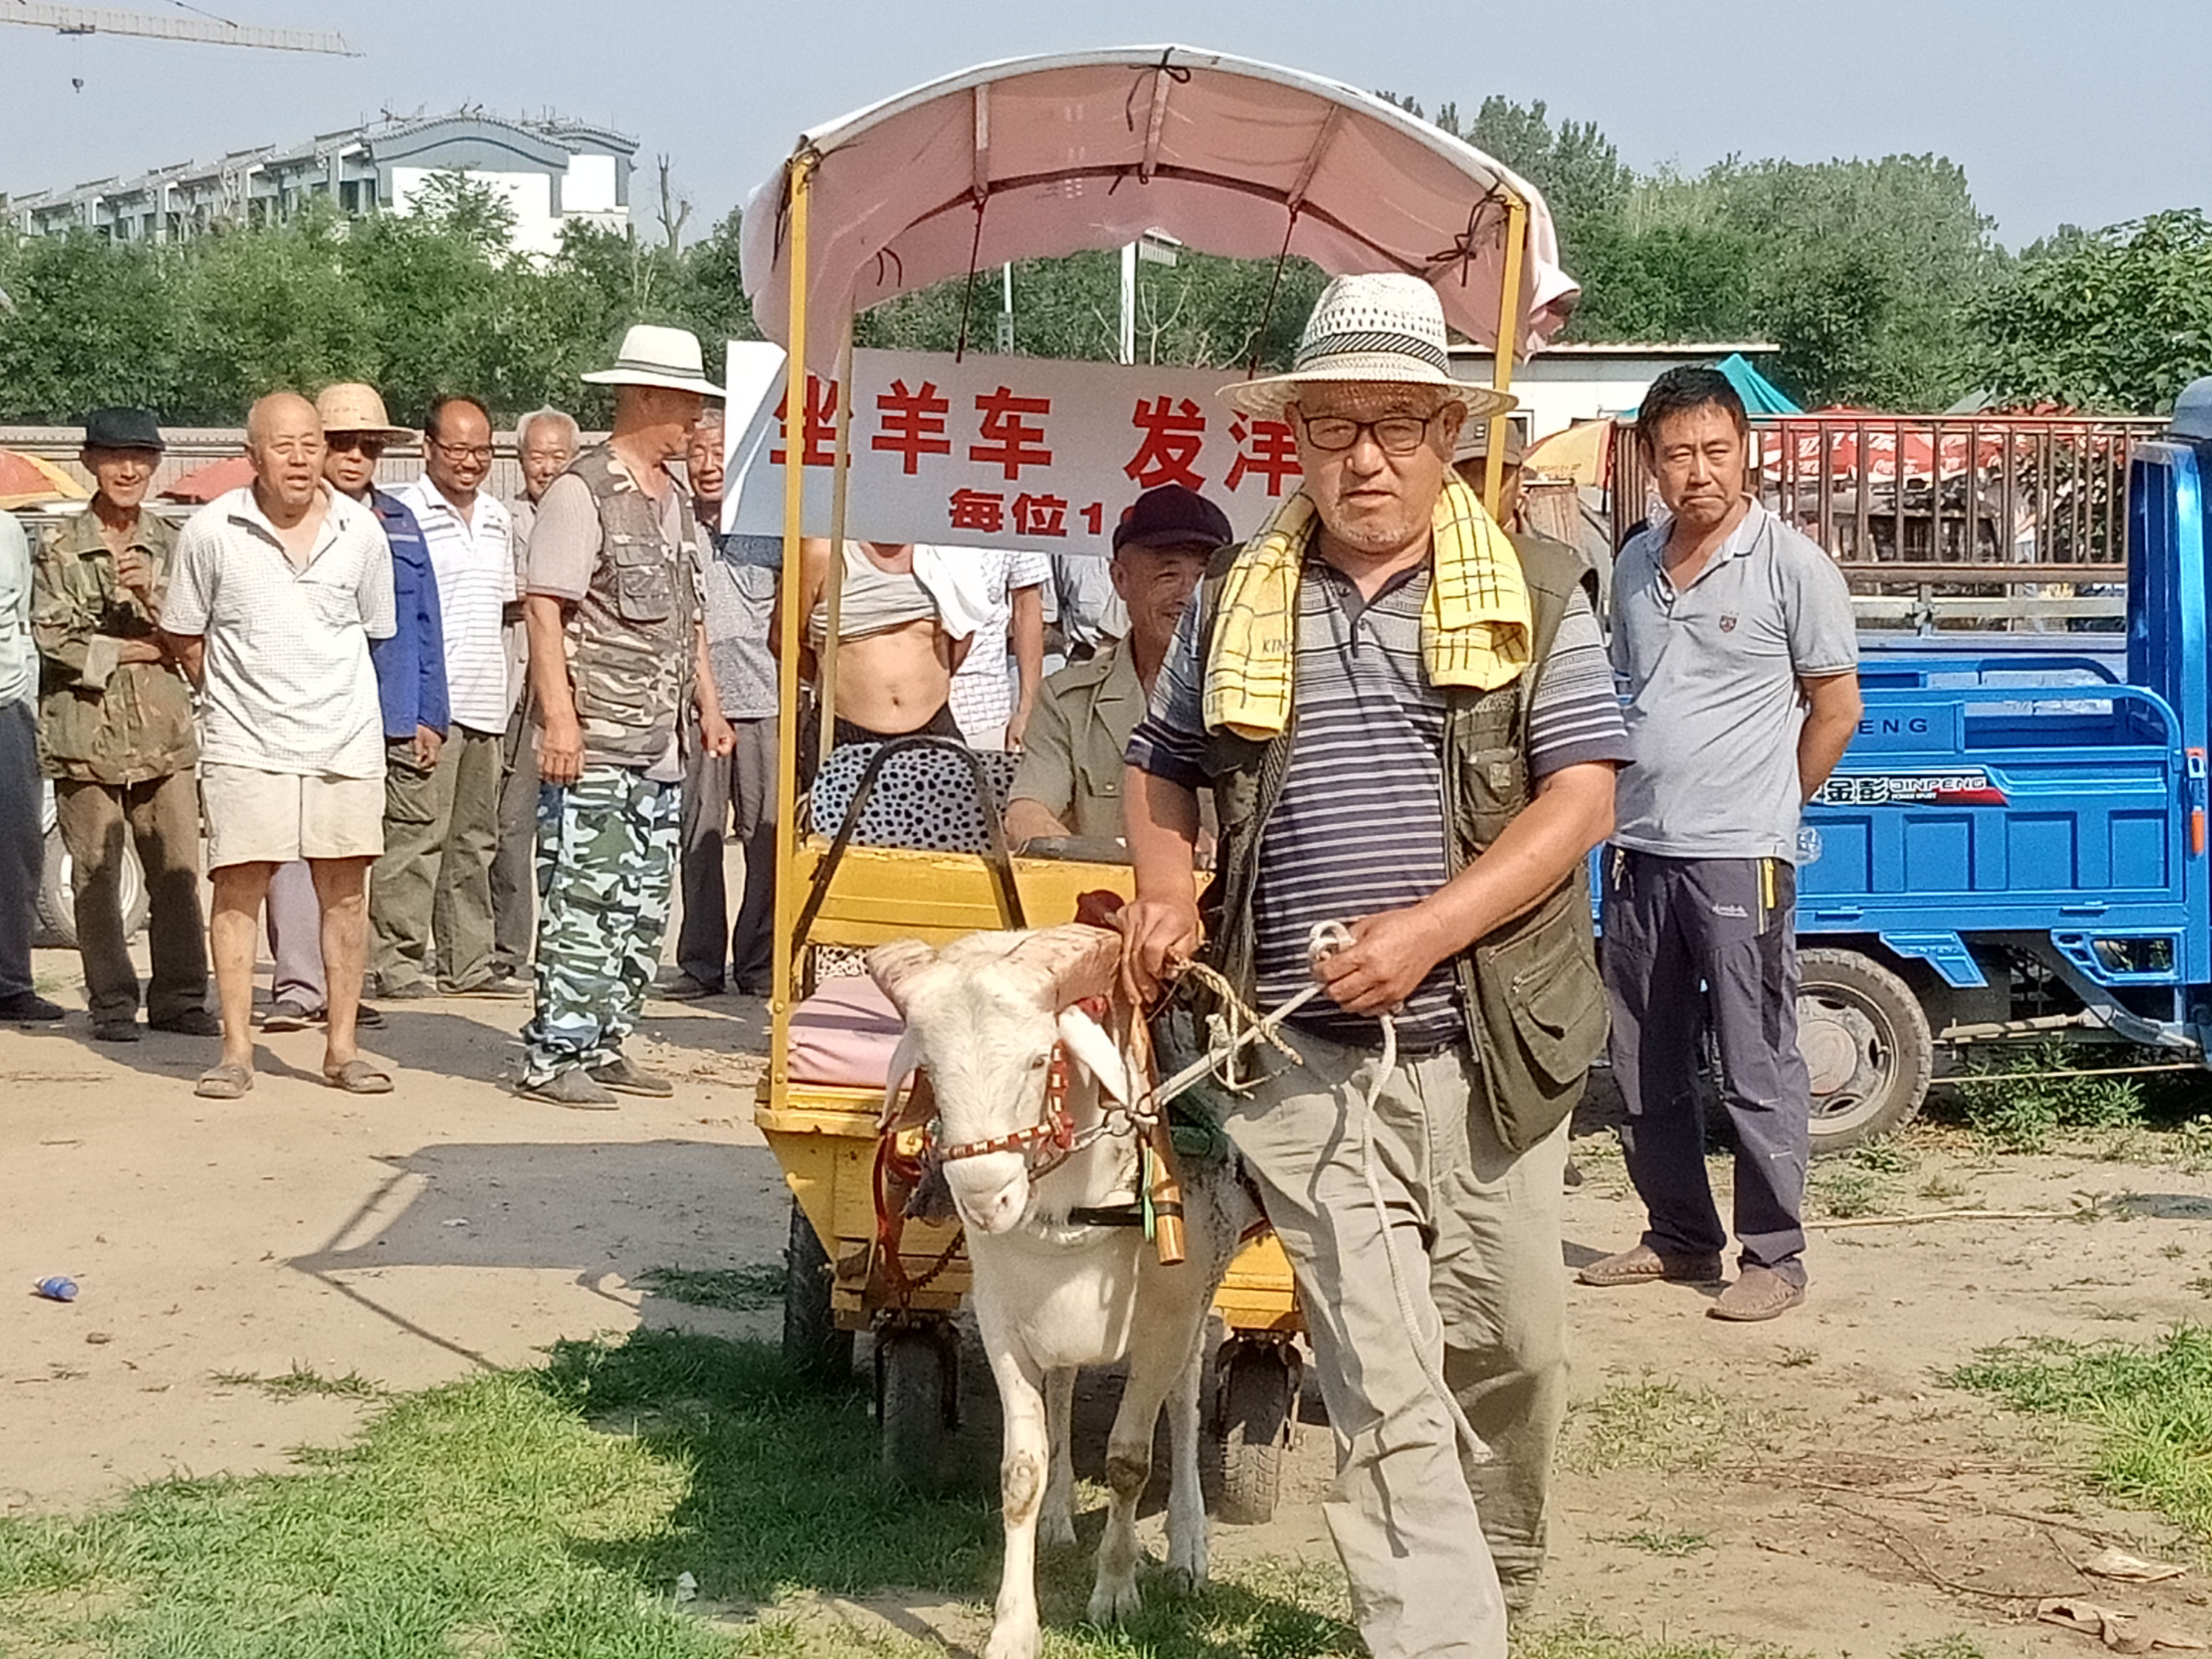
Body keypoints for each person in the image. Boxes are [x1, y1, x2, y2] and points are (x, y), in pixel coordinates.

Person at [1120, 273, 1627, 1656]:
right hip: (1301, 1064)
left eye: (1398, 425)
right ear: (1293, 441)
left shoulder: (1532, 588)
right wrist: (1170, 886)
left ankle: (1495, 1586)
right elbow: (1160, 768)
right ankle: (1438, 1639)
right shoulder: (1239, 598)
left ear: (1449, 432)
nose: (1366, 458)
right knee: (1386, 1379)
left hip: (1494, 1057)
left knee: (1513, 1350)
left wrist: (1425, 935)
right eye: (1334, 427)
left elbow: (1581, 794)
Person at [1581, 367, 1862, 1322]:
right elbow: (1625, 695)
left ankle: (1773, 1257)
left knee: (1755, 1060)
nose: (1698, 472)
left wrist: (1772, 807)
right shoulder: (1633, 566)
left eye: (1715, 450)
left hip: (1742, 855)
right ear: (1649, 463)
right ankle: (1679, 1238)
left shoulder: (1792, 566)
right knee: (1643, 1061)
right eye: (1677, 455)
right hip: (1640, 851)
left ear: (1745, 453)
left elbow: (1836, 708)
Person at [162, 391, 396, 1099]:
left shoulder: (362, 532)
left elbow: (375, 630)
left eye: (310, 444)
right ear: (251, 455)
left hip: (343, 740)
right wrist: (231, 694)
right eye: (282, 445)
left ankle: (343, 1048)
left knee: (345, 896)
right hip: (245, 742)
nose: (299, 458)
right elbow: (183, 630)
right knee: (238, 890)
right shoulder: (211, 530)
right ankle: (236, 1052)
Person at [519, 324, 729, 1107]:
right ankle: (554, 1054)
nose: (694, 423)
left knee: (641, 902)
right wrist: (560, 722)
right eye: (685, 404)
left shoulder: (670, 501)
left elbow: (687, 618)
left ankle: (606, 1038)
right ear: (645, 398)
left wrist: (706, 704)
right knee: (584, 894)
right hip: (599, 738)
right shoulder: (583, 492)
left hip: (658, 742)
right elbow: (547, 612)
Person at [262, 382, 448, 1033]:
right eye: (341, 443)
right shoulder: (279, 521)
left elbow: (424, 621)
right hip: (298, 709)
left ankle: (344, 986)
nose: (354, 458)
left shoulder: (398, 522)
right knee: (289, 849)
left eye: (368, 446)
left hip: (382, 710)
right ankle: (296, 984)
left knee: (355, 854)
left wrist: (431, 711)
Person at [30, 407, 214, 1042]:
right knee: (96, 875)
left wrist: (154, 601)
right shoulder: (58, 548)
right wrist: (144, 649)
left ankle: (183, 998)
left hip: (163, 735)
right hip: (85, 735)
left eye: (140, 457)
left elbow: (199, 639)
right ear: (89, 463)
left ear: (158, 464)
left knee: (177, 870)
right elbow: (57, 642)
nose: (128, 469)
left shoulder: (175, 543)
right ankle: (111, 1003)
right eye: (114, 457)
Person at [370, 394, 515, 997]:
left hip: (487, 700)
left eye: (481, 449)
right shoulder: (399, 514)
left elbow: (506, 608)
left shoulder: (500, 517)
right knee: (415, 838)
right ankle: (395, 965)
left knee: (475, 842)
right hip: (429, 706)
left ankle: (468, 964)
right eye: (457, 449)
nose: (471, 461)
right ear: (428, 449)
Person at [1006, 484, 1228, 845]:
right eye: (1168, 574)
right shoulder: (1068, 702)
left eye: (1204, 577)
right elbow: (1026, 815)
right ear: (1121, 580)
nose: (1188, 595)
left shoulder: (1253, 699)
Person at [664, 412, 778, 1000]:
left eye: (719, 455)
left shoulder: (772, 524)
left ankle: (757, 963)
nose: (708, 467)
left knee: (767, 839)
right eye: (698, 455)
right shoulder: (675, 525)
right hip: (698, 706)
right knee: (700, 836)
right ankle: (701, 964)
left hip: (767, 704)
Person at [491, 407, 579, 984]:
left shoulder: (585, 514)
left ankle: (565, 944)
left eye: (557, 457)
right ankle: (507, 948)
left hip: (577, 691)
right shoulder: (502, 520)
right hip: (514, 686)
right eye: (535, 456)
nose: (545, 468)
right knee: (510, 825)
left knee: (572, 829)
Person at [793, 539, 970, 747]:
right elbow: (784, 640)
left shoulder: (944, 552)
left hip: (934, 732)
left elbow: (963, 632)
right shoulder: (823, 550)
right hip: (844, 735)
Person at [0, 509, 63, 1025]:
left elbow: (20, 619)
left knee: (15, 849)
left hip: (7, 709)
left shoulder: (7, 531)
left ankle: (10, 982)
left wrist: (25, 696)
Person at [942, 547, 1047, 750]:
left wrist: (1028, 709)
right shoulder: (912, 520)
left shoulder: (1010, 521)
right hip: (907, 706)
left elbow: (1027, 606)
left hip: (983, 707)